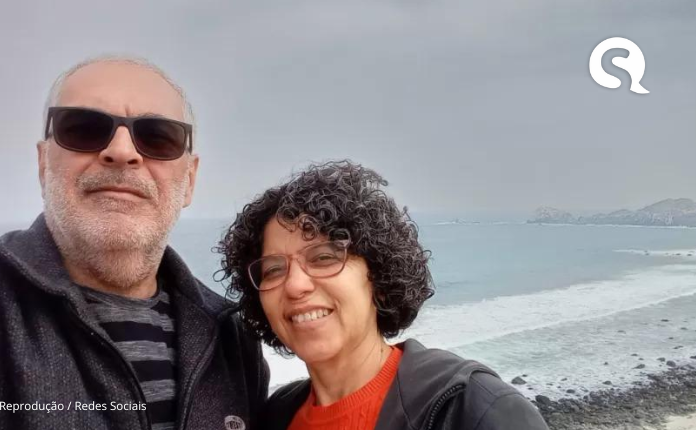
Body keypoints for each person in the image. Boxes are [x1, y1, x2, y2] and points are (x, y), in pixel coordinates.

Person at [0, 56, 267, 430]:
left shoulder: (232, 339)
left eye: (158, 137)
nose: (122, 151)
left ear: (190, 181)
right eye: (83, 129)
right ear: (43, 163)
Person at [216, 160, 548, 430]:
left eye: (324, 258)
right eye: (274, 269)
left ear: (379, 277)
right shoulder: (274, 417)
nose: (295, 285)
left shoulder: (473, 410)